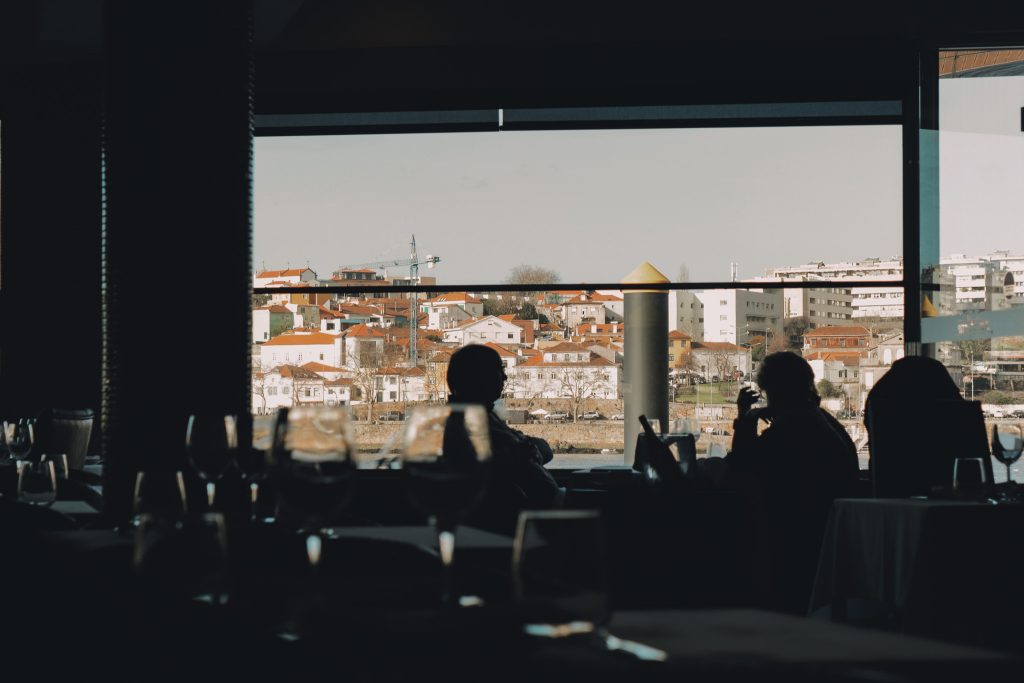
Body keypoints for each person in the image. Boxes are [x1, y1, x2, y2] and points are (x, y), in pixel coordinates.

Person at [726, 351, 859, 613]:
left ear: (773, 391)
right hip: (823, 538)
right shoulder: (824, 423)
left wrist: (745, 418)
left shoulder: (792, 430)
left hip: (791, 543)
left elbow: (741, 467)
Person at [445, 345, 561, 522]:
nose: (505, 377)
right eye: (499, 370)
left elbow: (541, 450)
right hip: (522, 522)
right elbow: (527, 456)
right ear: (479, 376)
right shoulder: (469, 424)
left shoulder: (482, 416)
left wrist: (523, 449)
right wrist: (521, 448)